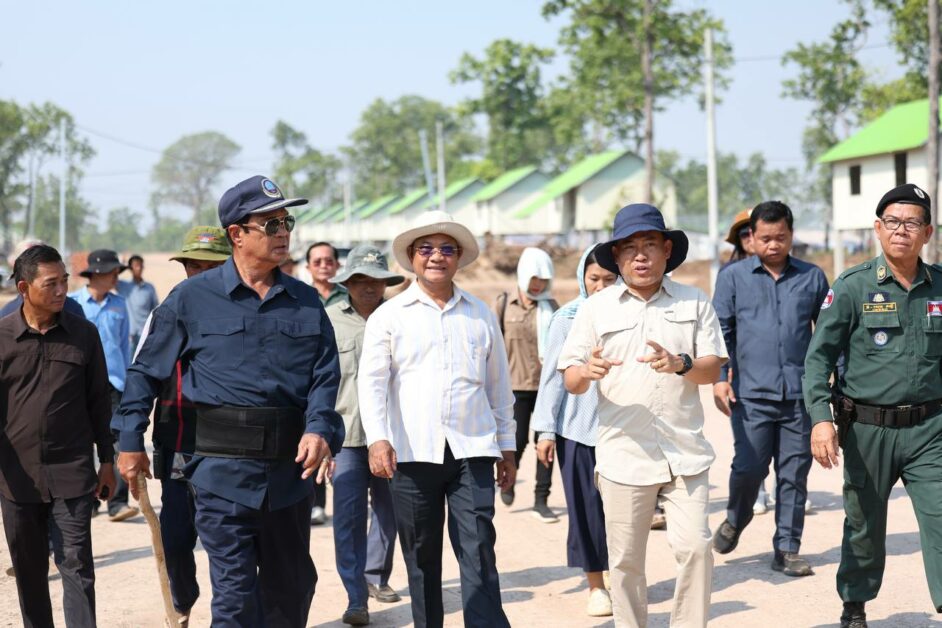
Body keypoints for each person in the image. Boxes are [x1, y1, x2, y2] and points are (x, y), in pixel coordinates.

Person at [112, 175, 344, 628]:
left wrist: (318, 428)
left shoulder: (304, 301)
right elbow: (145, 373)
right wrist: (129, 440)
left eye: (287, 222)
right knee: (235, 599)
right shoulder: (190, 298)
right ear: (236, 234)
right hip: (220, 477)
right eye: (271, 224)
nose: (283, 232)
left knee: (291, 592)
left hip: (289, 477)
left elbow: (325, 375)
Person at [559, 203, 727, 628]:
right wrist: (587, 371)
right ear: (616, 256)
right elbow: (571, 378)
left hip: (684, 454)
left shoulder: (694, 300)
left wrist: (682, 364)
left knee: (696, 548)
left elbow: (712, 369)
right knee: (626, 562)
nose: (640, 256)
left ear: (666, 250)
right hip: (624, 456)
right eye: (629, 247)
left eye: (649, 245)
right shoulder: (596, 308)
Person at [359, 210, 516, 628]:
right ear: (412, 257)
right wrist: (378, 439)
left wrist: (507, 447)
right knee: (421, 556)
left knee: (479, 549)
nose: (436, 256)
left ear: (459, 257)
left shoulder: (480, 313)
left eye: (447, 249)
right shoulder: (389, 316)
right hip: (412, 453)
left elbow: (499, 387)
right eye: (426, 248)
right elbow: (371, 385)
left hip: (472, 449)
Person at [803, 183, 942, 628]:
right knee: (863, 524)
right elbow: (818, 360)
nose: (902, 230)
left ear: (928, 232)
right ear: (878, 229)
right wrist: (821, 421)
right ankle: (855, 604)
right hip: (867, 430)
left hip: (931, 429)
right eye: (893, 222)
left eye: (913, 223)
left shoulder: (940, 286)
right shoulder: (852, 286)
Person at [711, 201, 829, 577]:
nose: (773, 245)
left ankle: (787, 549)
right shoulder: (732, 278)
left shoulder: (812, 278)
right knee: (749, 468)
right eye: (765, 238)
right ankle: (737, 517)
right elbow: (720, 333)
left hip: (799, 397)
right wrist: (720, 377)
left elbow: (829, 336)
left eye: (780, 237)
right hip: (751, 395)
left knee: (794, 473)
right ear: (752, 236)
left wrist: (835, 385)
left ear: (791, 235)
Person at [0, 244, 115, 628]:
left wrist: (108, 460)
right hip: (17, 480)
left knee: (77, 567)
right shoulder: (2, 338)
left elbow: (99, 402)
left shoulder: (84, 335)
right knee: (29, 571)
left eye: (64, 281)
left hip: (73, 473)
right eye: (51, 284)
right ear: (24, 288)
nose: (62, 290)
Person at [138, 226, 232, 623]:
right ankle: (183, 601)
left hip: (230, 446)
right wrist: (129, 439)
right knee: (176, 537)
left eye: (211, 267)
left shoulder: (245, 310)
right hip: (178, 441)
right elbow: (143, 374)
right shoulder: (168, 311)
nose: (201, 274)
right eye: (194, 266)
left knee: (229, 543)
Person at [533, 245, 617, 617]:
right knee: (585, 510)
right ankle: (596, 584)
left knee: (622, 512)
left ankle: (618, 572)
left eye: (610, 279)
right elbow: (552, 378)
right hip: (578, 430)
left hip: (622, 430)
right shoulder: (566, 318)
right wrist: (545, 431)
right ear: (583, 278)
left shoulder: (632, 316)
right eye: (594, 278)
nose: (601, 286)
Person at [326, 244, 405, 626]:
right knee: (348, 520)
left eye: (376, 279)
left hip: (392, 438)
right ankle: (356, 596)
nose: (369, 287)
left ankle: (377, 575)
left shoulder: (402, 318)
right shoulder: (329, 320)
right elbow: (318, 382)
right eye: (360, 280)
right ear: (347, 283)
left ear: (386, 282)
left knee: (391, 514)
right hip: (346, 440)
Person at [69, 249, 138, 523]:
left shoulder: (120, 304)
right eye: (112, 273)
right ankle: (88, 500)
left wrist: (128, 379)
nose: (116, 278)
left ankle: (117, 502)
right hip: (80, 384)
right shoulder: (73, 304)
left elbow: (124, 345)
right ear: (96, 274)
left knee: (117, 441)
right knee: (82, 442)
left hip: (114, 382)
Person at [493, 247, 559, 521]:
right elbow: (493, 346)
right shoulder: (503, 304)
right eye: (534, 279)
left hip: (546, 388)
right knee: (517, 441)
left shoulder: (552, 308)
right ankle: (509, 480)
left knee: (545, 444)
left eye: (543, 280)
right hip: (515, 387)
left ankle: (541, 500)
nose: (538, 285)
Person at [306, 240, 345, 524]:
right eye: (317, 261)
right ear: (308, 267)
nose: (323, 266)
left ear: (337, 265)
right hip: (314, 379)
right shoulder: (301, 297)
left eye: (328, 261)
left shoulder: (348, 296)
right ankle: (316, 502)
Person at [117, 254, 160, 348]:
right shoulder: (123, 286)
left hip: (145, 334)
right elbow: (113, 275)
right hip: (129, 335)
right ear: (130, 268)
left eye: (141, 265)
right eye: (136, 266)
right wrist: (123, 264)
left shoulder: (149, 288)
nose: (139, 268)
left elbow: (156, 310)